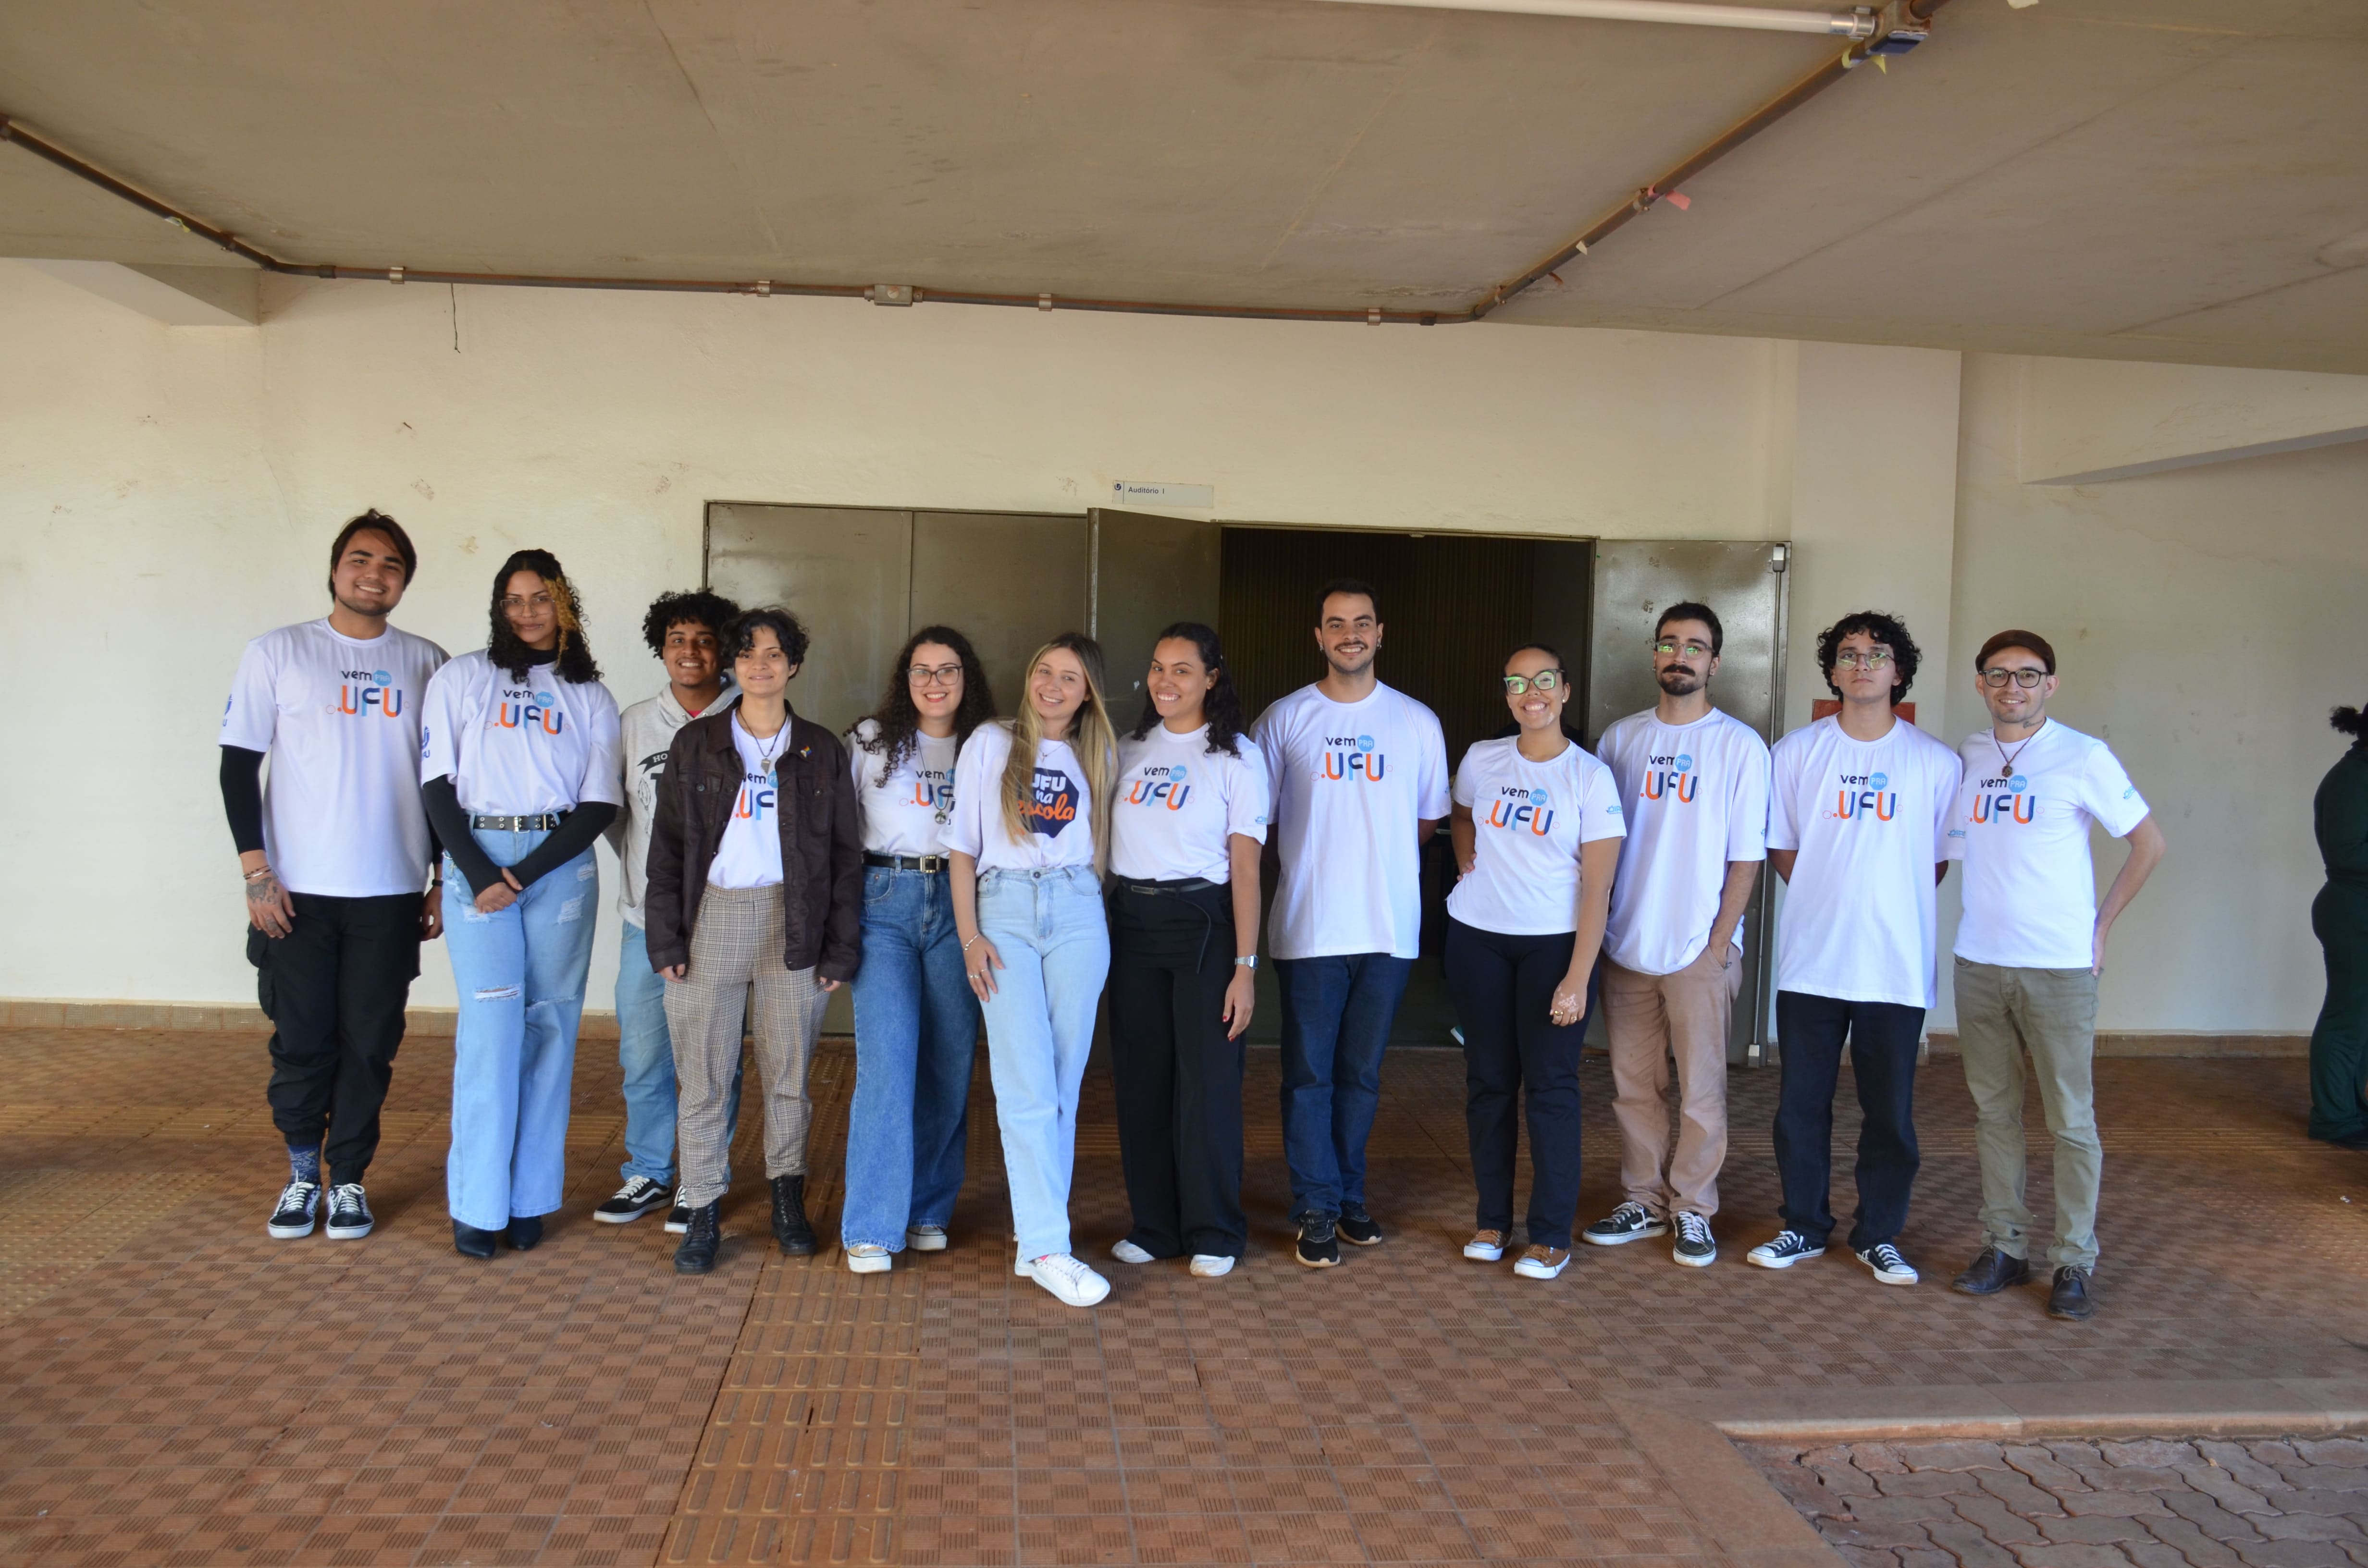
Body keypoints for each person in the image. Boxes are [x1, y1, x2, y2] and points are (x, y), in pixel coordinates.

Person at [222, 510, 447, 1243]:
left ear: (404, 582)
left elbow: (447, 779)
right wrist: (257, 872)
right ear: (335, 568)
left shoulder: (427, 661)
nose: (373, 574)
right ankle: (299, 1174)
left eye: (390, 565)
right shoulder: (278, 652)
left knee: (370, 1040)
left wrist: (440, 876)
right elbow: (237, 766)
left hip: (388, 891)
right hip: (298, 893)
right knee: (302, 1039)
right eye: (361, 559)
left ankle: (347, 1179)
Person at [1945, 630, 2164, 1322]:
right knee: (1993, 1114)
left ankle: (2075, 1259)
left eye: (2029, 676)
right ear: (1980, 683)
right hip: (1980, 962)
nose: (2015, 688)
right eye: (2000, 676)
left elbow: (2148, 844)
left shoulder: (2083, 756)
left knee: (2071, 1120)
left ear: (2052, 684)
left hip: (2060, 969)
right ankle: (2005, 1247)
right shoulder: (1970, 756)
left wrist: (2099, 929)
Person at [644, 608, 863, 1275]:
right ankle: (704, 1204)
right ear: (732, 665)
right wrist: (666, 939)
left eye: (774, 654)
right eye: (747, 654)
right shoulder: (698, 743)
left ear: (793, 664)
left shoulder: (821, 748)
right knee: (705, 1072)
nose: (760, 665)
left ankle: (786, 1197)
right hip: (712, 916)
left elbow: (847, 855)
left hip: (792, 919)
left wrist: (840, 946)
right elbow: (668, 849)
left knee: (790, 1071)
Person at [1749, 611, 1960, 1287]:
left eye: (1877, 655)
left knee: (1889, 1114)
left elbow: (1935, 862)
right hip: (1813, 961)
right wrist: (1826, 893)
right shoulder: (1797, 752)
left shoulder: (1935, 761)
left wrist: (1880, 902)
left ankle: (1879, 1234)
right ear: (1832, 672)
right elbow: (1782, 845)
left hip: (1895, 969)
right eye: (1849, 654)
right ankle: (1803, 1226)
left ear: (1900, 672)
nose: (1862, 665)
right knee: (1800, 1106)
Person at [421, 550, 622, 1259]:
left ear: (565, 605)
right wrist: (481, 873)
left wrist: (525, 875)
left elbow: (600, 802)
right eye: (514, 600)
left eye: (541, 598)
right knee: (491, 1027)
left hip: (560, 868)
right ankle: (478, 1203)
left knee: (551, 1028)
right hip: (479, 860)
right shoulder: (461, 678)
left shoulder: (589, 695)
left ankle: (530, 1196)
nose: (528, 612)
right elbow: (436, 786)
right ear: (499, 608)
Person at [1252, 579, 1451, 1269]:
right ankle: (1316, 1205)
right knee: (1309, 1075)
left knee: (1361, 1075)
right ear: (1319, 636)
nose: (1350, 634)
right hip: (1310, 926)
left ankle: (1348, 1197)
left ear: (1380, 632)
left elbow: (1425, 823)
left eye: (1362, 622)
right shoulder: (1283, 720)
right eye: (1335, 623)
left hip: (1389, 928)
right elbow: (1261, 826)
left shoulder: (1417, 723)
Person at [1586, 603, 1769, 1269]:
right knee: (1634, 1087)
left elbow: (1746, 857)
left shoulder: (1738, 746)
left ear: (1715, 663)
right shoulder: (1620, 740)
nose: (1681, 656)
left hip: (1699, 950)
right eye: (1669, 644)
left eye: (1695, 646)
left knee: (1701, 1090)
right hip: (1627, 946)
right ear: (1655, 655)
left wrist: (1720, 944)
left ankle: (1693, 1208)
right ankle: (1642, 1197)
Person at [946, 634, 1120, 1308]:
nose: (1053, 685)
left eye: (1070, 677)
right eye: (1044, 671)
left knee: (1062, 1086)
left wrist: (1086, 905)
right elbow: (963, 848)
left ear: (1088, 692)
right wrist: (970, 937)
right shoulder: (992, 741)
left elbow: (1106, 844)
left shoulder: (1100, 753)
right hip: (1006, 910)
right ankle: (1049, 1246)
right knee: (1025, 1084)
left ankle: (1039, 1239)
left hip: (1077, 909)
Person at [1445, 645, 1624, 1281]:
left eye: (1544, 680)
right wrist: (1467, 855)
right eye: (1517, 682)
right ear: (1507, 694)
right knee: (1489, 1085)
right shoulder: (1483, 759)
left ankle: (1549, 1235)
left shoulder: (1589, 777)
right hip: (1477, 940)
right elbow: (1462, 815)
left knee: (1550, 1090)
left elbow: (1598, 888)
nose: (1531, 693)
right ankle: (1493, 1222)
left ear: (1565, 691)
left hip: (1553, 946)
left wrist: (1578, 977)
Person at [1106, 624, 1270, 1280]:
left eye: (1182, 669)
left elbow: (1249, 871)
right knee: (1142, 1078)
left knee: (1207, 1084)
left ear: (1212, 679)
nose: (1165, 681)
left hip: (1205, 923)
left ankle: (1215, 1229)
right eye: (1156, 668)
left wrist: (1246, 968)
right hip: (1131, 920)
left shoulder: (1235, 757)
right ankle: (1155, 1225)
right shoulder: (1128, 748)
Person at [840, 627, 996, 1274]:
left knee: (948, 1062)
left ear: (968, 679)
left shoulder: (990, 745)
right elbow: (838, 836)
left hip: (961, 908)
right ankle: (873, 1226)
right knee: (888, 1062)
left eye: (948, 670)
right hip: (885, 904)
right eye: (922, 670)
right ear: (905, 680)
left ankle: (928, 1207)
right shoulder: (872, 740)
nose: (935, 682)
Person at [596, 589, 744, 1233]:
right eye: (679, 639)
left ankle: (702, 1181)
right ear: (662, 647)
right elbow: (614, 818)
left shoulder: (755, 717)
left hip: (729, 925)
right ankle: (651, 1172)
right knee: (646, 1055)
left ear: (725, 651)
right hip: (645, 925)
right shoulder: (633, 724)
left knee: (715, 1060)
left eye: (706, 639)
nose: (692, 651)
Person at [2311, 705, 2368, 1152]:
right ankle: (2334, 1120)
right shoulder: (2352, 779)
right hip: (2353, 912)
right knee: (2347, 1018)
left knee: (2361, 1019)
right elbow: (2349, 853)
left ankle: (2351, 1109)